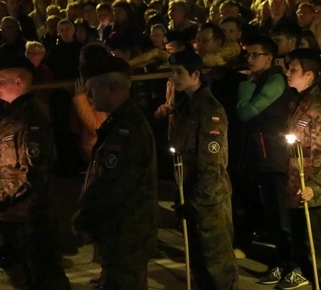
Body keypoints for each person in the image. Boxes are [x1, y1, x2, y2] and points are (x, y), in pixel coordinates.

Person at [73, 56, 158, 289]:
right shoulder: (119, 123)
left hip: (126, 233)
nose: (89, 96)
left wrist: (83, 219)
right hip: (121, 232)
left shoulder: (127, 129)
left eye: (92, 89)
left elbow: (112, 185)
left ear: (111, 88)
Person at [167, 50, 238, 288]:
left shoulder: (208, 109)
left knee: (217, 264)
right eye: (172, 72)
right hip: (191, 191)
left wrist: (197, 199)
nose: (173, 77)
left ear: (195, 75)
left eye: (179, 72)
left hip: (207, 198)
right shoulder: (187, 105)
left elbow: (211, 161)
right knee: (199, 263)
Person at [0, 54, 70, 289]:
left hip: (31, 216)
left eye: (1, 81)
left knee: (46, 278)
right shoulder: (10, 114)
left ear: (19, 81)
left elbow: (30, 173)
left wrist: (1, 197)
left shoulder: (31, 119)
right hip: (14, 215)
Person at [235, 36, 299, 285]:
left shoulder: (273, 81)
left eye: (255, 55)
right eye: (247, 55)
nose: (249, 60)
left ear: (269, 58)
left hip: (276, 157)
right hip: (264, 157)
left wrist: (246, 85)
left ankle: (294, 265)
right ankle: (281, 263)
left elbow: (246, 111)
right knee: (273, 216)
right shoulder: (263, 79)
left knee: (283, 217)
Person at [284, 48, 321, 290]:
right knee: (304, 252)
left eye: (293, 69)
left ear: (309, 75)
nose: (287, 73)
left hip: (315, 192)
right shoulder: (300, 103)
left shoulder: (319, 108)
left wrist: (314, 187)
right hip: (299, 185)